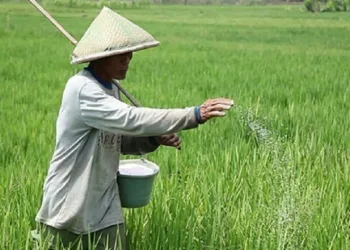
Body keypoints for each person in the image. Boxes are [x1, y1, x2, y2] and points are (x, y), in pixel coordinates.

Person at [33, 6, 234, 250]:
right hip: (69, 207)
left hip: (104, 204)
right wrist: (194, 115)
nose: (128, 59)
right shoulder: (83, 89)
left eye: (129, 53)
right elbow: (131, 118)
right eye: (121, 54)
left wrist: (152, 140)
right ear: (100, 56)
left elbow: (116, 139)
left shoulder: (111, 87)